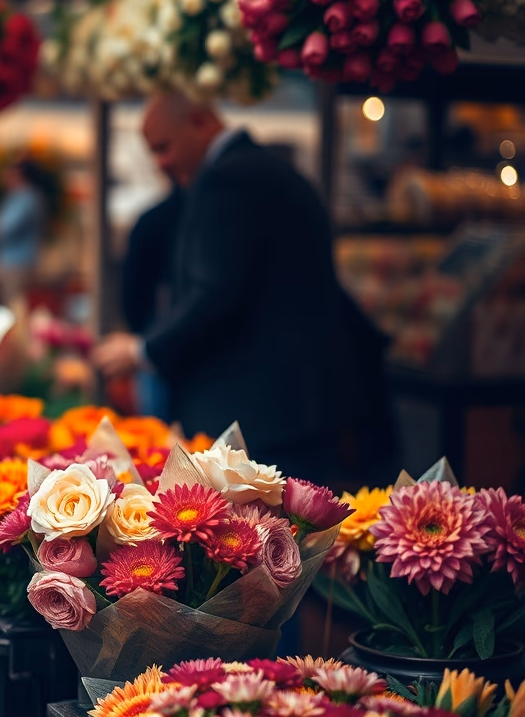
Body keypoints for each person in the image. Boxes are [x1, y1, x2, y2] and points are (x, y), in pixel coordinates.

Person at [92, 93, 363, 479]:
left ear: (201, 123)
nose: (160, 164)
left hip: (264, 417)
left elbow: (214, 294)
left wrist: (142, 350)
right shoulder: (265, 169)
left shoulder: (227, 179)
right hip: (296, 409)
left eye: (164, 147)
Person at [120, 187, 184, 419]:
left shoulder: (155, 218)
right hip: (157, 336)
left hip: (156, 334)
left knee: (156, 422)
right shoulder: (160, 219)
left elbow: (132, 292)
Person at [0, 158, 46, 306]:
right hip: (9, 260)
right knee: (11, 302)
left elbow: (6, 227)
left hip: (17, 262)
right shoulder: (15, 197)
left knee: (15, 303)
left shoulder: (27, 198)